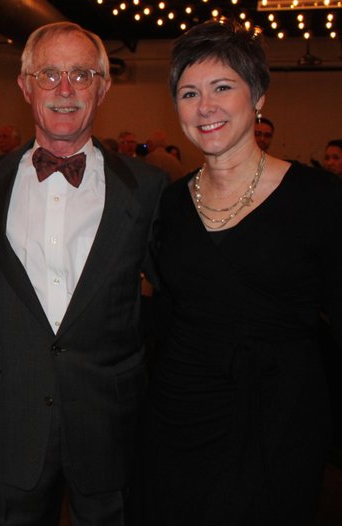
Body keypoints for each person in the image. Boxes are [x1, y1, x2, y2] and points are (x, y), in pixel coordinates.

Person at [0, 21, 167, 526]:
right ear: (25, 86)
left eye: (81, 74)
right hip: (12, 418)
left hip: (109, 421)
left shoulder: (146, 187)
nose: (65, 90)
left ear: (105, 85)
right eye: (49, 74)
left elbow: (172, 300)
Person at [143, 19, 342, 526]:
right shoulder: (168, 204)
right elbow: (163, 313)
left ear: (258, 98)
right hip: (181, 415)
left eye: (222, 87)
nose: (205, 105)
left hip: (282, 414)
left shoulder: (321, 199)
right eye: (189, 93)